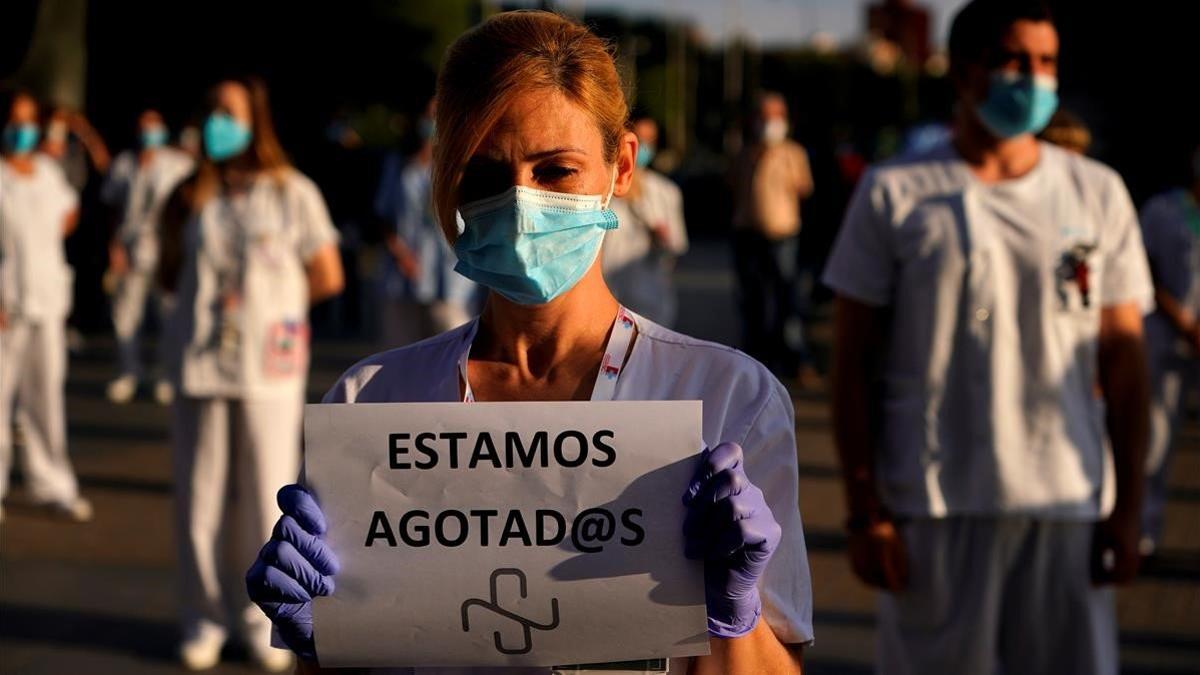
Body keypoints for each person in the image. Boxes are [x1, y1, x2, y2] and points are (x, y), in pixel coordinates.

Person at [245, 11, 813, 674]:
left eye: (556, 170)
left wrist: (732, 617)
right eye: (484, 176)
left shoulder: (727, 401)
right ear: (444, 181)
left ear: (621, 165)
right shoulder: (372, 403)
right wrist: (325, 640)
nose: (520, 204)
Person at [823, 2, 1152, 673]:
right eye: (1012, 60)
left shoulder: (1097, 193)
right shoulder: (897, 192)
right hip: (933, 501)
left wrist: (1130, 511)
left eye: (1046, 63)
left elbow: (1125, 360)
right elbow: (851, 361)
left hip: (1066, 496)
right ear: (964, 71)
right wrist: (864, 510)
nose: (1032, 79)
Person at [157, 76, 344, 671]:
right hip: (201, 365)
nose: (218, 121)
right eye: (211, 110)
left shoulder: (291, 193)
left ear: (256, 120)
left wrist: (276, 316)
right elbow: (166, 274)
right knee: (201, 500)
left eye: (229, 112)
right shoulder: (188, 194)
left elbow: (328, 274)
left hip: (269, 370)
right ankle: (204, 618)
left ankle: (260, 618)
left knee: (269, 496)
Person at [0, 89, 93, 524]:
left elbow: (69, 214)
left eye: (27, 121)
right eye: (13, 121)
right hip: (6, 306)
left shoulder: (45, 172)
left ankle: (52, 483)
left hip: (48, 303)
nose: (22, 130)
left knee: (45, 399)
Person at [101, 109, 195, 405]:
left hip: (164, 247)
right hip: (130, 248)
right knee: (125, 314)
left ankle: (166, 375)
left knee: (168, 314)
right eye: (144, 127)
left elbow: (193, 195)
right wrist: (114, 247)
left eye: (153, 127)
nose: (148, 133)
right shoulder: (125, 164)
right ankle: (129, 372)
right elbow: (113, 210)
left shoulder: (176, 163)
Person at [729, 92, 818, 387]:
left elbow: (804, 188)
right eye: (765, 116)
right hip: (747, 236)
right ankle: (755, 361)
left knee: (787, 300)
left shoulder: (793, 153)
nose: (770, 123)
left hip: (782, 235)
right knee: (753, 300)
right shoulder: (744, 152)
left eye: (776, 116)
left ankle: (796, 359)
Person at [1137, 145, 1200, 557]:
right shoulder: (1163, 211)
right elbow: (1142, 269)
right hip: (1165, 336)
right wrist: (1182, 320)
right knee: (1155, 438)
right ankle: (1142, 529)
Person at [374, 99, 478, 348]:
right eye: (427, 116)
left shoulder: (460, 164)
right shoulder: (399, 165)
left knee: (454, 347)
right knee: (402, 351)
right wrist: (401, 254)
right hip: (405, 272)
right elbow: (384, 216)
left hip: (451, 273)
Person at [602, 113, 689, 326]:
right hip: (608, 299)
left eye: (650, 140)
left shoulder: (666, 191)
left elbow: (677, 245)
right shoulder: (603, 189)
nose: (643, 147)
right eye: (639, 138)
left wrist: (662, 238)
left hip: (651, 301)